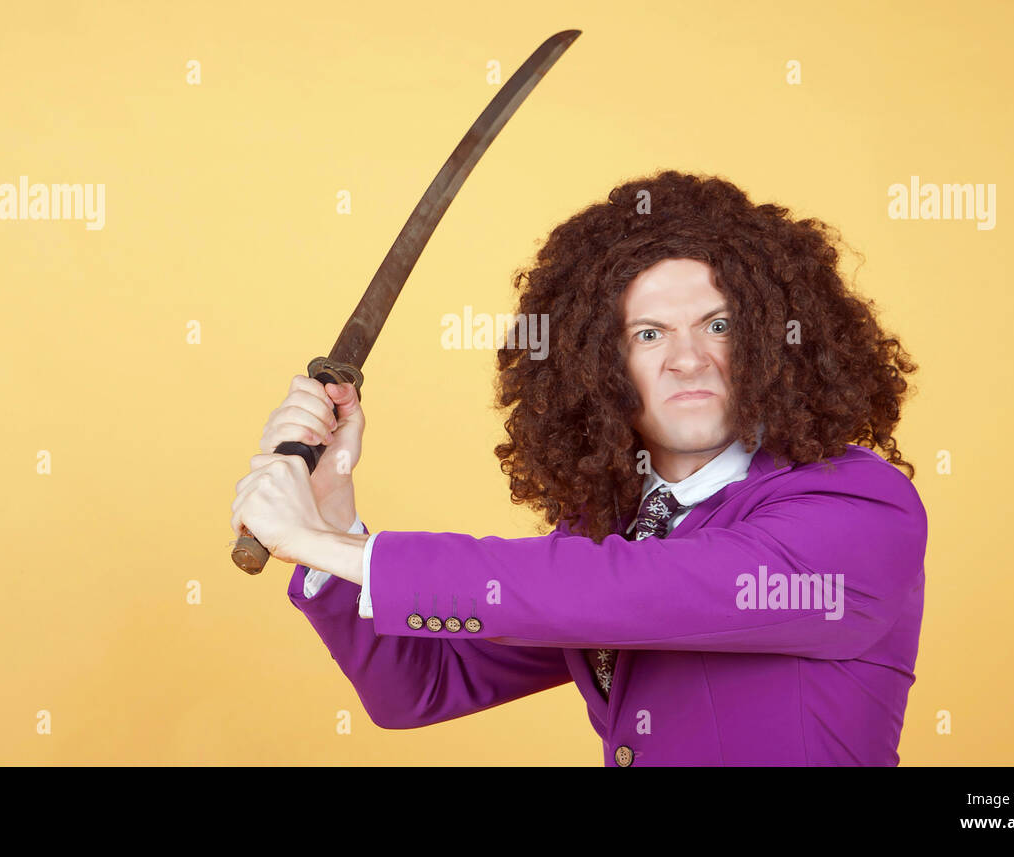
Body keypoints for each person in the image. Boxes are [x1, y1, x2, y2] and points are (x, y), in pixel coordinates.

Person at [232, 169, 928, 766]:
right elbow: (420, 687)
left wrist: (328, 545)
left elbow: (630, 592)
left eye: (719, 324)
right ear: (600, 367)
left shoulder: (859, 506)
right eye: (648, 334)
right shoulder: (615, 529)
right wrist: (330, 508)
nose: (689, 358)